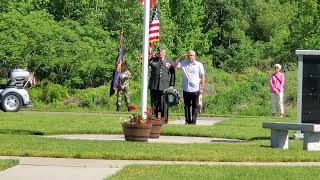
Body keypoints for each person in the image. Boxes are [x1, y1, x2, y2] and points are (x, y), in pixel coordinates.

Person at [175, 50, 205, 125]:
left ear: (195, 56)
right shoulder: (183, 63)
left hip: (196, 89)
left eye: (192, 55)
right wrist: (180, 57)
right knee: (187, 106)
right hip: (186, 88)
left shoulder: (199, 65)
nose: (190, 57)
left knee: (195, 106)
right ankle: (187, 121)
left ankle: (193, 122)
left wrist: (202, 87)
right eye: (189, 55)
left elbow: (202, 76)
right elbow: (175, 65)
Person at [148, 48, 175, 123]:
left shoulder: (169, 61)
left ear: (165, 53)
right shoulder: (153, 60)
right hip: (154, 85)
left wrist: (172, 84)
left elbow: (172, 73)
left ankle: (164, 120)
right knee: (154, 104)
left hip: (165, 85)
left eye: (162, 52)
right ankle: (155, 120)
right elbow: (144, 64)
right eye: (159, 52)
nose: (161, 53)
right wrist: (150, 57)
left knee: (164, 104)